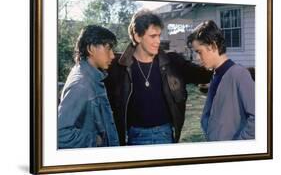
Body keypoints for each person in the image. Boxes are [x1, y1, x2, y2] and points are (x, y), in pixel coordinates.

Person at [105, 9, 212, 146]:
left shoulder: (172, 62)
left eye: (159, 36)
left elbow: (204, 74)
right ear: (137, 36)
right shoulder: (117, 66)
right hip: (132, 137)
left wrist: (237, 70)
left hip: (165, 135)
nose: (158, 41)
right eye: (152, 36)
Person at [187, 20, 255, 141]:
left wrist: (238, 146)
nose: (197, 58)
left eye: (199, 52)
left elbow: (258, 118)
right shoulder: (216, 74)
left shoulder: (239, 74)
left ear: (213, 46)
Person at [58, 25, 119, 149]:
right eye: (108, 49)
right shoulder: (81, 84)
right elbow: (60, 134)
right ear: (91, 48)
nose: (112, 55)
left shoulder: (91, 76)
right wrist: (95, 140)